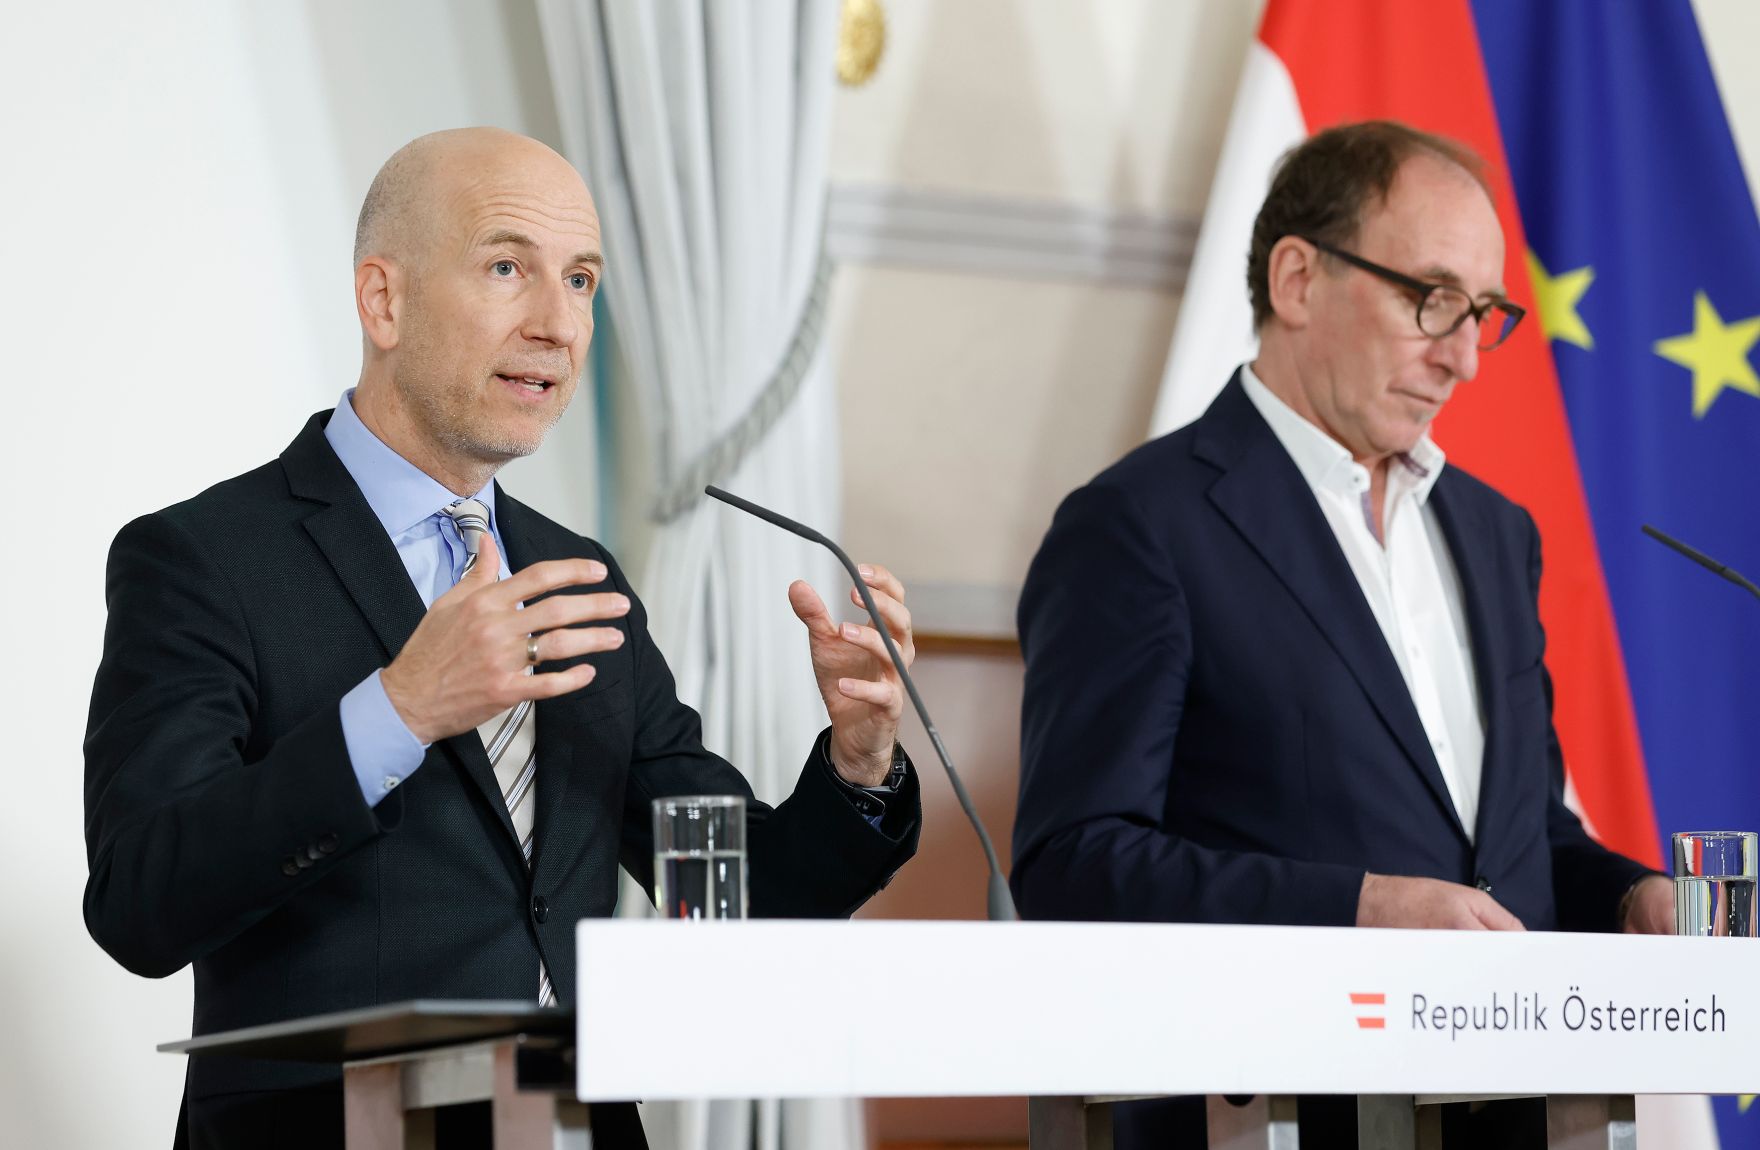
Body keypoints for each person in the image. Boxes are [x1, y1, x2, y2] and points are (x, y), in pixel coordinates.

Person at [83, 128, 920, 1149]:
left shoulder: (579, 578)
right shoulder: (205, 558)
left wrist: (858, 762)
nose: (558, 325)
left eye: (581, 280)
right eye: (507, 268)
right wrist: (398, 710)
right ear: (383, 300)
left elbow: (728, 902)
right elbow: (139, 905)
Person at [1010, 121, 1672, 1147]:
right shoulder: (1141, 526)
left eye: (1482, 314)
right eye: (1431, 298)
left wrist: (1630, 897)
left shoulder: (1495, 534)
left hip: (1518, 1112)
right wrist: (1362, 910)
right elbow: (1074, 864)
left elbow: (1517, 839)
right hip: (1272, 1116)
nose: (1463, 358)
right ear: (1297, 280)